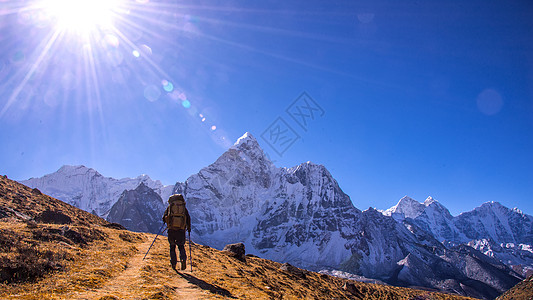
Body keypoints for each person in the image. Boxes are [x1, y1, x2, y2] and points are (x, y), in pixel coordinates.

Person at [162, 194, 191, 270]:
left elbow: (164, 218)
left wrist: (167, 221)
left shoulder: (170, 208)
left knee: (172, 246)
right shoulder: (183, 208)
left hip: (171, 229)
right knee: (181, 246)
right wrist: (189, 228)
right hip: (181, 230)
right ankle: (183, 259)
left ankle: (173, 263)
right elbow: (188, 218)